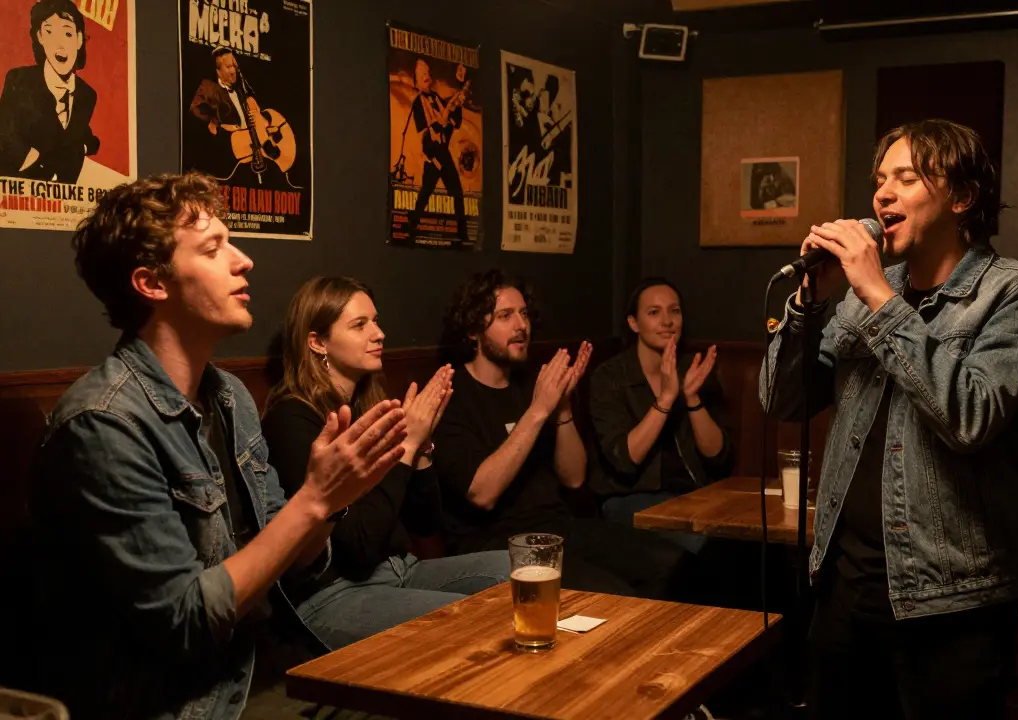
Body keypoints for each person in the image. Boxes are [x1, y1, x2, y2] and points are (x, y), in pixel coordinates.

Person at [29, 172, 408, 719]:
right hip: (189, 701)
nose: (243, 260)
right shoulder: (103, 424)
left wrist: (332, 502)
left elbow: (297, 567)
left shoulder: (229, 397)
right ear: (152, 284)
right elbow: (185, 622)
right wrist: (315, 500)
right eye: (213, 248)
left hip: (265, 660)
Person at [759, 119, 1018, 718]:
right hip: (845, 585)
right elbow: (783, 401)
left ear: (962, 197)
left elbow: (970, 417)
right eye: (879, 180)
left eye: (906, 178)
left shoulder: (1016, 294)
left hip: (952, 603)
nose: (882, 195)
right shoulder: (860, 293)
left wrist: (880, 298)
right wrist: (809, 304)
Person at [261, 276, 509, 650]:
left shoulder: (369, 406)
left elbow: (424, 523)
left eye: (375, 321)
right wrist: (406, 444)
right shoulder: (292, 419)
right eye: (359, 325)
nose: (378, 334)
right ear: (317, 342)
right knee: (469, 625)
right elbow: (357, 548)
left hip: (398, 568)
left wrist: (420, 450)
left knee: (520, 569)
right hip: (333, 593)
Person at [432, 269, 693, 598]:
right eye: (505, 316)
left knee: (674, 564)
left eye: (524, 314)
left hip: (556, 529)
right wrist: (539, 410)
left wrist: (563, 409)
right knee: (613, 594)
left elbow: (574, 478)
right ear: (473, 330)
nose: (521, 325)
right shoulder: (451, 397)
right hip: (496, 544)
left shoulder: (532, 385)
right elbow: (482, 493)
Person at [589, 277, 734, 549]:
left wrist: (692, 399)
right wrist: (666, 398)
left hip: (694, 493)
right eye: (654, 312)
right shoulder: (610, 377)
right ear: (634, 323)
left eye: (674, 311)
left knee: (750, 542)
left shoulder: (693, 368)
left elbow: (718, 455)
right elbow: (626, 459)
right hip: (631, 498)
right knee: (705, 545)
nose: (667, 321)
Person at [0, 0, 99, 181]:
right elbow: (4, 132)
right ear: (40, 37)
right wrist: (34, 161)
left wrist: (85, 147)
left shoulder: (87, 95)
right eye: (49, 32)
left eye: (67, 33)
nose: (60, 44)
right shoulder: (19, 81)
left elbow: (79, 134)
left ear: (79, 40)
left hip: (66, 194)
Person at [408, 58, 469, 243]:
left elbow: (454, 123)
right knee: (426, 193)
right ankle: (411, 228)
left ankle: (462, 234)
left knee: (456, 193)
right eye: (422, 75)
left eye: (427, 73)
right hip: (432, 155)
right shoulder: (418, 104)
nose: (426, 77)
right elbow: (425, 134)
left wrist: (458, 105)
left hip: (443, 152)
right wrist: (443, 119)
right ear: (416, 82)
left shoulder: (437, 98)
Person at [189, 47, 248, 136]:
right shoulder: (209, 87)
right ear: (218, 72)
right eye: (228, 67)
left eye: (234, 66)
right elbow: (195, 110)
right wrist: (218, 126)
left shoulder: (241, 89)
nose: (233, 71)